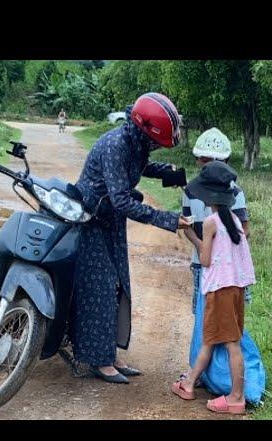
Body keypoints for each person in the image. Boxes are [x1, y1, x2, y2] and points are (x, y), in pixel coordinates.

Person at [68, 92, 192, 384]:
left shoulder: (134, 143)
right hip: (92, 221)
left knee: (118, 285)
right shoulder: (115, 145)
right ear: (144, 131)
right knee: (100, 287)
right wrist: (168, 219)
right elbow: (122, 200)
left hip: (111, 222)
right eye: (155, 142)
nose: (155, 148)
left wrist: (172, 174)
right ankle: (97, 360)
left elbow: (140, 164)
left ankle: (108, 352)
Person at [171, 161, 256, 414]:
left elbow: (205, 260)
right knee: (210, 338)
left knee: (231, 344)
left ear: (208, 196)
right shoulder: (235, 222)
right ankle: (188, 383)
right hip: (235, 289)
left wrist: (193, 236)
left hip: (220, 289)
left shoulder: (210, 222)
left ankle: (236, 398)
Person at [181, 128, 250, 317]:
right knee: (204, 317)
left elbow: (244, 230)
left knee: (227, 321)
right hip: (200, 265)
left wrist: (216, 251)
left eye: (214, 162)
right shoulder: (190, 191)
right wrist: (202, 246)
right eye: (204, 160)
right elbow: (187, 226)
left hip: (229, 271)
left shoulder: (235, 193)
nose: (208, 166)